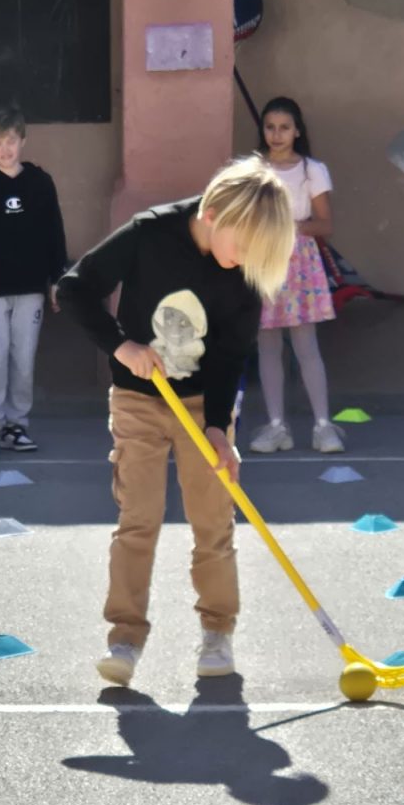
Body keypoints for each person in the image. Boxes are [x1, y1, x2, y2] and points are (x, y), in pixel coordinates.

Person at [57, 155, 294, 686]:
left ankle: (217, 631)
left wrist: (218, 428)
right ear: (213, 214)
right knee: (138, 519)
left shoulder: (245, 274)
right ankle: (125, 636)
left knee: (213, 522)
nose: (248, 261)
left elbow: (230, 356)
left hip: (201, 405)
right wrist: (122, 346)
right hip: (137, 400)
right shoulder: (149, 234)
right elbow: (74, 288)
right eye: (245, 247)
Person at [249, 96, 344, 455]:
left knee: (306, 345)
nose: (276, 134)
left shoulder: (311, 170)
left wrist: (289, 227)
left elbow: (325, 224)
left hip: (300, 261)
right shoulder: (251, 169)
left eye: (284, 127)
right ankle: (276, 426)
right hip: (262, 261)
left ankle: (323, 426)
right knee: (267, 344)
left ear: (297, 131)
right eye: (270, 127)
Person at [0, 105, 67, 453]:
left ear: (22, 140)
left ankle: (16, 424)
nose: (5, 149)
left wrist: (57, 278)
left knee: (23, 358)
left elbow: (54, 233)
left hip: (31, 289)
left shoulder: (40, 184)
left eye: (10, 141)